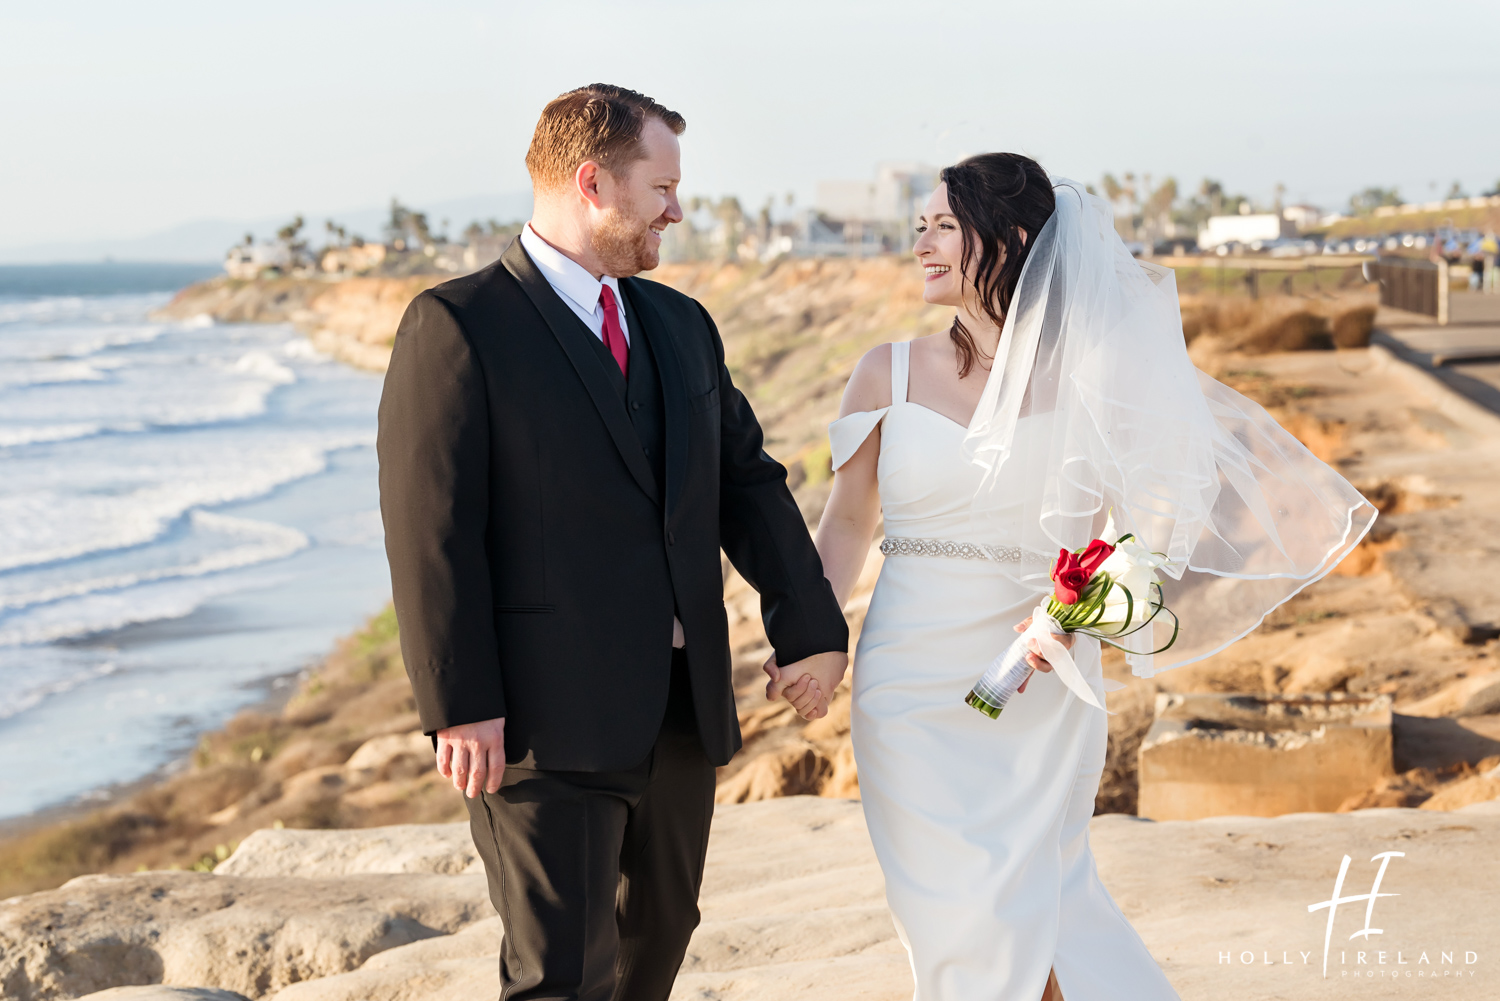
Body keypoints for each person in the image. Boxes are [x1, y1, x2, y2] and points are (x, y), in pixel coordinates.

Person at [768, 154, 1376, 999]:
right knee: (953, 916)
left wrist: (1083, 610)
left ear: (1013, 239)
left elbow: (1145, 526)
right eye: (921, 225)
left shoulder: (1101, 376)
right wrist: (813, 637)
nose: (924, 241)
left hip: (1042, 683)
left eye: (946, 224)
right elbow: (844, 526)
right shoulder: (885, 371)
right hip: (906, 690)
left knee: (1038, 901)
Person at [377, 83, 847, 1001]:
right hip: (538, 724)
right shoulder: (457, 325)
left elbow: (747, 484)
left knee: (659, 941)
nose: (677, 210)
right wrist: (459, 700)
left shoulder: (679, 324)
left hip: (679, 711)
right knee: (562, 971)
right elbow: (430, 530)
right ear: (593, 182)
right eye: (662, 188)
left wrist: (811, 627)